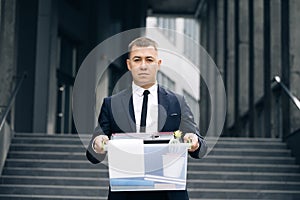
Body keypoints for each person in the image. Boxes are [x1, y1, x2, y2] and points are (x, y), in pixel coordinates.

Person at [86, 37, 207, 200]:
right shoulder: (111, 103)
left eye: (149, 59)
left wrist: (194, 142)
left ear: (158, 63)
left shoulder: (177, 102)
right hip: (125, 191)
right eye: (137, 60)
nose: (143, 65)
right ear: (129, 65)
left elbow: (201, 148)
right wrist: (98, 143)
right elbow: (93, 154)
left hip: (168, 192)